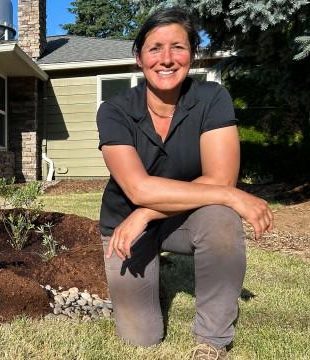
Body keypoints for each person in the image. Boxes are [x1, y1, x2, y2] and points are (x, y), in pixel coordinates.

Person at [96, 7, 273, 359]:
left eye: (177, 47)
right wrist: (229, 193)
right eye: (154, 48)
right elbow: (137, 188)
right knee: (140, 338)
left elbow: (221, 177)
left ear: (191, 54)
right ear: (138, 58)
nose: (166, 59)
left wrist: (145, 212)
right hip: (125, 225)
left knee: (221, 217)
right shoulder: (114, 110)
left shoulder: (211, 98)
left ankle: (212, 340)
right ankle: (153, 279)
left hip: (179, 218)